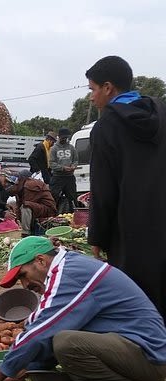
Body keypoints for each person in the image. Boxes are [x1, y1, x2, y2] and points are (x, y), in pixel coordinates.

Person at [0, 236, 166, 381]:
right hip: (137, 350)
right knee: (61, 342)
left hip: (149, 357)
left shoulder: (70, 273)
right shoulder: (69, 266)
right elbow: (46, 324)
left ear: (40, 261)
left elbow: (41, 331)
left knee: (66, 343)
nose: (25, 285)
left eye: (23, 276)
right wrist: (28, 367)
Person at [86, 55, 166, 318]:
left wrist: (97, 236)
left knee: (138, 300)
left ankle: (150, 354)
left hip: (131, 231)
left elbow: (104, 191)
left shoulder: (106, 126)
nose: (91, 97)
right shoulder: (161, 113)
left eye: (92, 89)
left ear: (108, 88)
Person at [9, 170, 56, 236]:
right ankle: (24, 229)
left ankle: (26, 232)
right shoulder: (22, 186)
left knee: (26, 206)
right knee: (25, 206)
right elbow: (19, 206)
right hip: (38, 207)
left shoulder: (30, 185)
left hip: (48, 209)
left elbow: (27, 204)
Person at [49, 128, 79, 213]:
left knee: (72, 198)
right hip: (57, 177)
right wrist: (63, 168)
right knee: (53, 197)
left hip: (69, 177)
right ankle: (52, 215)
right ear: (59, 137)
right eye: (63, 137)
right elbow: (51, 163)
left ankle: (73, 215)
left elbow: (76, 160)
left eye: (66, 137)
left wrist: (73, 166)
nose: (64, 139)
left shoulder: (71, 148)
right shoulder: (54, 149)